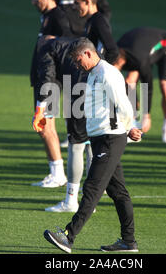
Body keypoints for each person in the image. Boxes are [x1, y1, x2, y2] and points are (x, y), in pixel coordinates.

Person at [43, 37, 142, 253]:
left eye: (79, 61)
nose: (78, 66)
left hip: (111, 138)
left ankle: (68, 236)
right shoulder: (94, 74)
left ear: (88, 53)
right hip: (100, 139)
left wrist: (130, 128)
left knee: (92, 188)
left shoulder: (107, 73)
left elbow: (124, 104)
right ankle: (128, 242)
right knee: (118, 192)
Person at [32, 36, 92, 212]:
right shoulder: (79, 45)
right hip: (96, 93)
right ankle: (90, 200)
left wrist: (40, 109)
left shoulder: (45, 48)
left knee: (76, 146)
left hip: (77, 93)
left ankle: (71, 202)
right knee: (91, 146)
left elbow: (47, 77)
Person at [29, 0, 73, 187]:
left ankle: (58, 174)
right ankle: (55, 172)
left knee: (44, 125)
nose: (32, 1)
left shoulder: (58, 17)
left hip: (51, 80)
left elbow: (68, 46)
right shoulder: (47, 16)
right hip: (44, 78)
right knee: (46, 126)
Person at [115, 27, 166, 142]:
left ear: (121, 62)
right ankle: (133, 124)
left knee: (165, 85)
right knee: (129, 82)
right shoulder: (118, 50)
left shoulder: (139, 60)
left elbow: (147, 85)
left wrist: (146, 115)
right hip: (142, 48)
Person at [74, 0, 119, 64]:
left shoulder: (98, 20)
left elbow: (113, 51)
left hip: (96, 74)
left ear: (87, 1)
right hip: (89, 73)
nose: (74, 7)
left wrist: (100, 69)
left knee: (66, 75)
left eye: (77, 3)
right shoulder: (91, 21)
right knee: (67, 75)